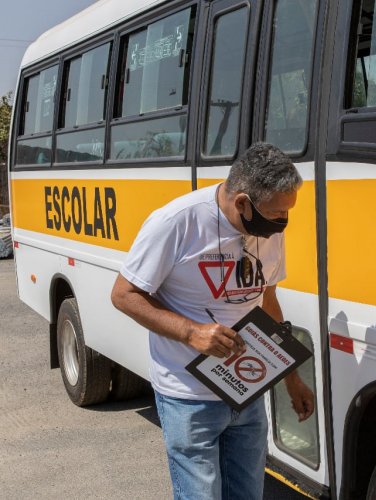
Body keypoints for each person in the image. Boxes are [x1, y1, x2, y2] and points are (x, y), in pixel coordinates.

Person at [111, 143, 314, 500]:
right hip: (188, 397)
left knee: (248, 494)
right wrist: (192, 333)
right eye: (276, 213)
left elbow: (267, 302)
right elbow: (124, 295)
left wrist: (291, 379)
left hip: (247, 394)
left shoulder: (270, 231)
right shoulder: (176, 222)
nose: (283, 223)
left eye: (287, 213)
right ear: (242, 203)